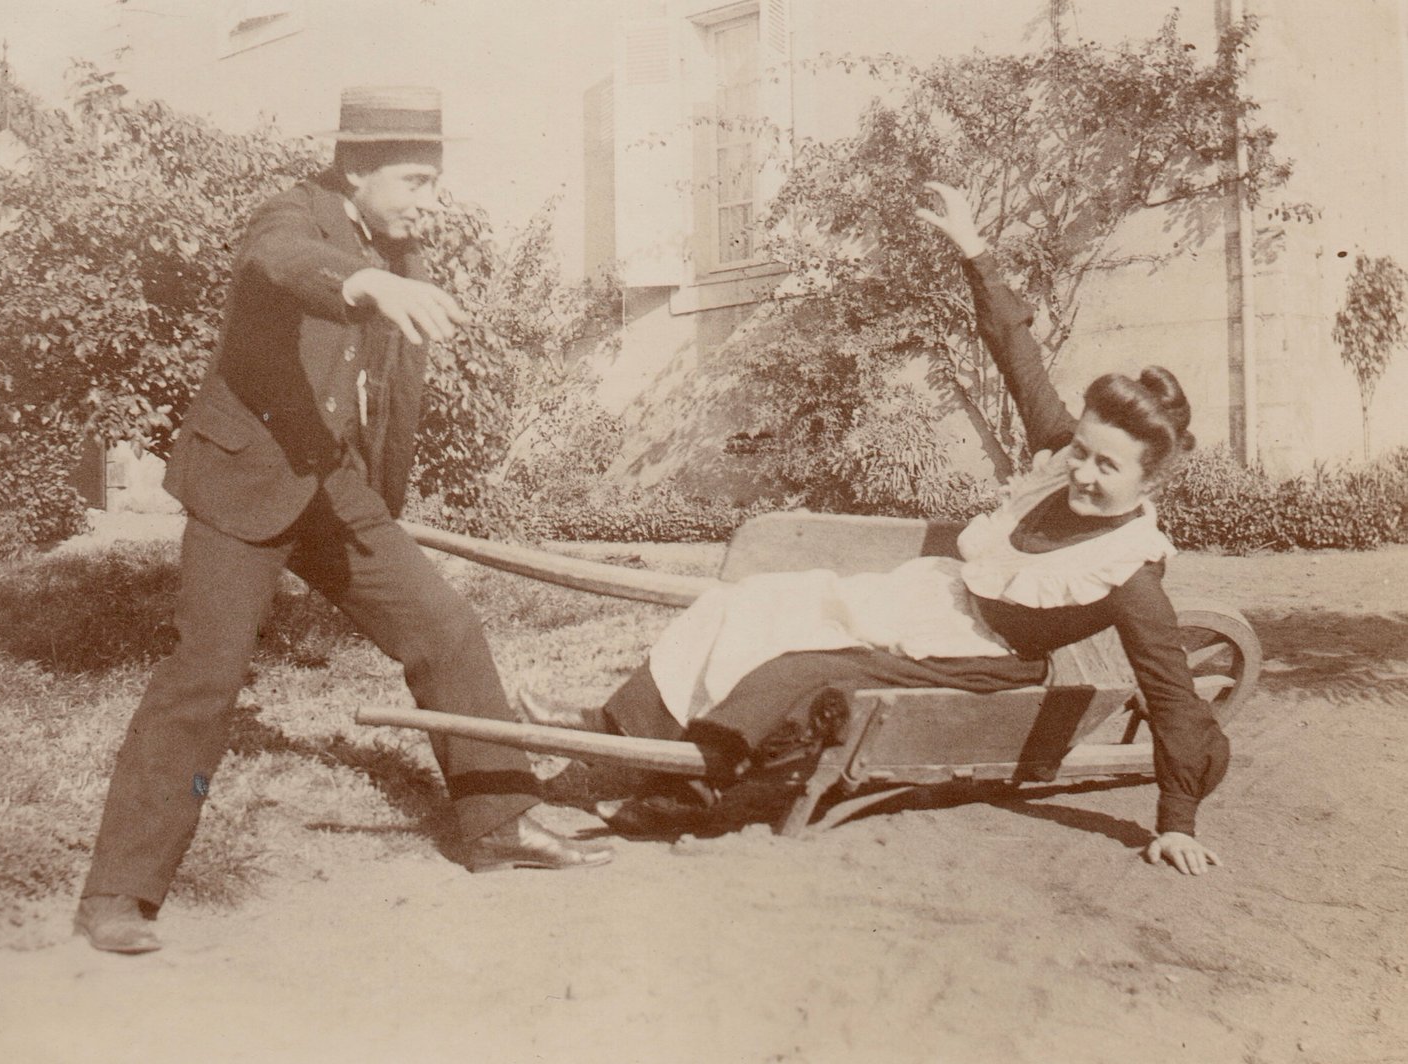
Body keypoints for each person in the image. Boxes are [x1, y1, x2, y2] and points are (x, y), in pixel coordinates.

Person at [523, 182, 1229, 877]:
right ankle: (613, 730)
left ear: (1150, 479)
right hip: (935, 598)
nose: (1082, 472)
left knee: (806, 665)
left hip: (979, 654)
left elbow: (1171, 695)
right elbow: (1018, 356)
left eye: (1108, 467)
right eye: (1083, 449)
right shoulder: (1060, 460)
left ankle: (694, 787)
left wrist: (1177, 822)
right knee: (756, 600)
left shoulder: (1130, 570)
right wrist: (974, 251)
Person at [75, 86, 612, 955]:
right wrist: (358, 282)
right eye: (413, 179)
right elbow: (277, 262)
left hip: (333, 485)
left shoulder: (404, 248)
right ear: (356, 168)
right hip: (244, 481)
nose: (428, 199)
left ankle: (500, 824)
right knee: (205, 676)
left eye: (434, 181)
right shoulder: (294, 215)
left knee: (444, 627)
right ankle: (119, 896)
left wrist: (378, 502)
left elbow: (389, 394)